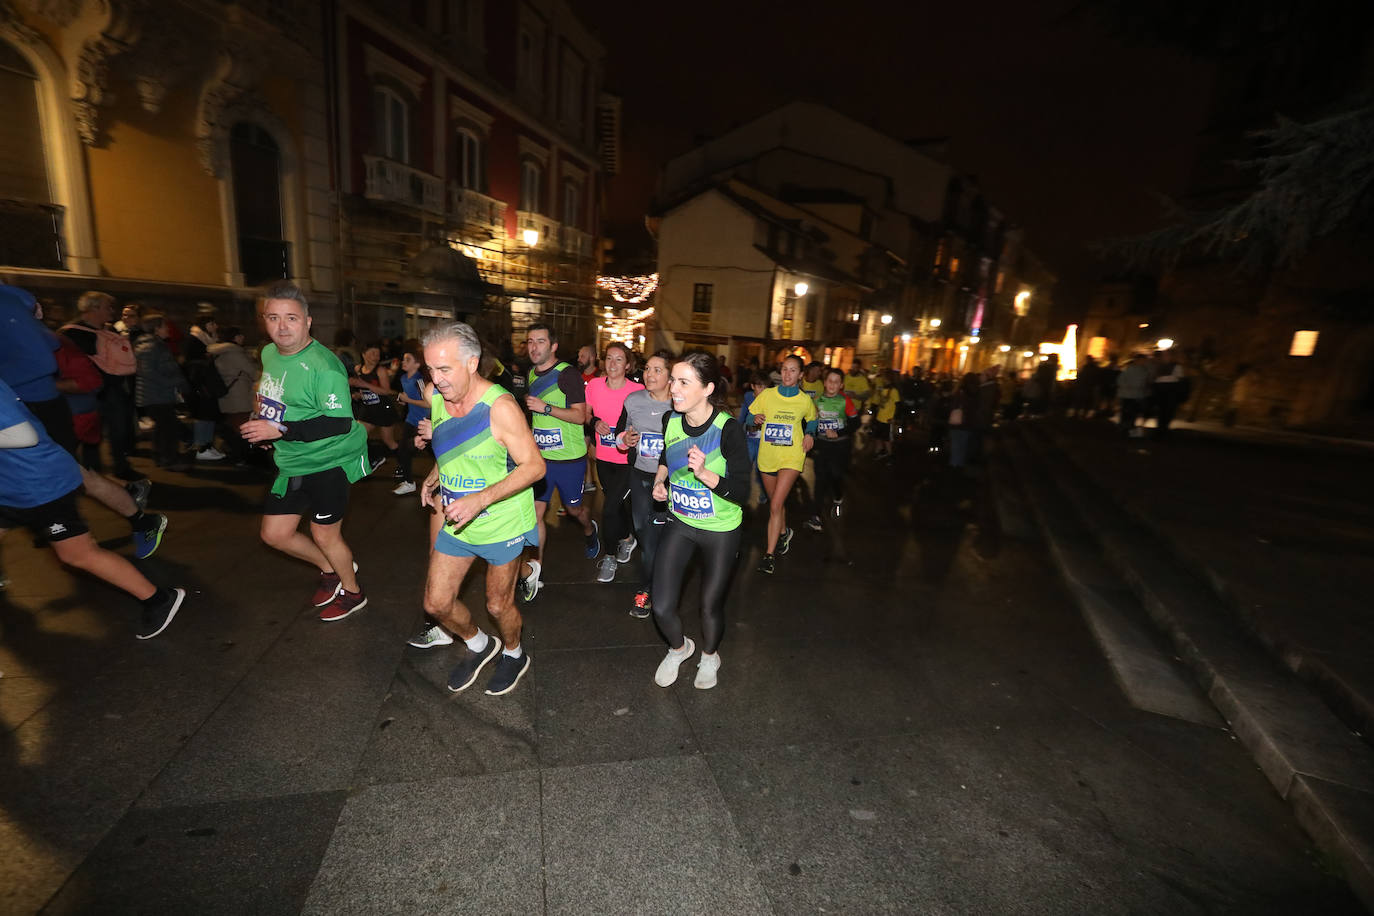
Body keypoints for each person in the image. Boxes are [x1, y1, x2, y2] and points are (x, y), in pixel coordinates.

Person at [410, 323, 544, 695]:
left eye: (445, 369)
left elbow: (535, 466)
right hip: (459, 520)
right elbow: (452, 447)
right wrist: (436, 474)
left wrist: (482, 498)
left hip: (502, 522)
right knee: (436, 603)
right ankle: (480, 644)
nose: (436, 380)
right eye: (431, 370)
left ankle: (515, 653)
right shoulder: (438, 397)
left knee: (499, 606)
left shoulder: (500, 407)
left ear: (472, 363)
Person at [0, 378, 186, 639]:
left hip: (40, 486)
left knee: (78, 555)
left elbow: (23, 435)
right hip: (11, 487)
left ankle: (159, 599)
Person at [1, 286, 166, 558]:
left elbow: (46, 356)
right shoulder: (14, 302)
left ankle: (138, 524)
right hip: (36, 407)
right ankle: (136, 521)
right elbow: (50, 344)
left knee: (73, 476)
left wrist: (7, 384)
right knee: (65, 476)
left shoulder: (6, 302)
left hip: (40, 408)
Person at [240, 282, 370, 622]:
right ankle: (330, 568)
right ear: (264, 321)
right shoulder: (268, 352)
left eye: (291, 319)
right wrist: (264, 423)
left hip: (332, 458)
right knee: (275, 534)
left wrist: (281, 430)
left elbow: (340, 422)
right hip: (293, 459)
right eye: (273, 318)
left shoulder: (324, 366)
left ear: (308, 322)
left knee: (324, 533)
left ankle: (353, 591)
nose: (282, 327)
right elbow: (272, 392)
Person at [649, 351, 751, 690]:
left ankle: (710, 656)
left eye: (682, 382)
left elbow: (741, 491)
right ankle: (679, 648)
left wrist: (707, 475)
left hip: (721, 529)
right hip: (680, 522)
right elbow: (666, 453)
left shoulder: (728, 430)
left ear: (707, 388)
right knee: (661, 606)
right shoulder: (671, 420)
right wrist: (660, 480)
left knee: (709, 606)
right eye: (673, 380)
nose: (672, 388)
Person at [518, 323, 600, 601]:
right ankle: (535, 569)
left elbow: (580, 417)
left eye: (540, 341)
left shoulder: (568, 375)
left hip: (569, 460)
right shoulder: (530, 373)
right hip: (541, 459)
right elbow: (535, 418)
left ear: (553, 346)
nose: (533, 347)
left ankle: (590, 530)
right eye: (530, 341)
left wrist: (546, 408)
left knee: (574, 510)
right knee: (536, 514)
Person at [616, 349, 674, 617]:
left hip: (671, 481)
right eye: (648, 369)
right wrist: (623, 441)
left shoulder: (680, 404)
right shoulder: (633, 400)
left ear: (671, 376)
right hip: (640, 477)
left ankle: (647, 590)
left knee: (655, 539)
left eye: (657, 370)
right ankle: (655, 581)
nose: (649, 374)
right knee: (643, 532)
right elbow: (620, 433)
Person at [750, 354, 816, 574]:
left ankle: (768, 555)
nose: (787, 374)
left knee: (776, 505)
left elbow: (813, 418)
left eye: (793, 370)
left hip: (792, 456)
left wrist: (810, 433)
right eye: (784, 369)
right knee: (775, 502)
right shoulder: (767, 395)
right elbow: (750, 418)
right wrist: (756, 419)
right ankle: (784, 531)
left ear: (800, 375)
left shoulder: (805, 400)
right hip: (768, 456)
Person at [61, 291, 139, 478]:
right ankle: (90, 471)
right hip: (85, 391)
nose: (112, 311)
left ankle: (120, 466)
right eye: (107, 307)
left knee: (118, 430)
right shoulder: (70, 333)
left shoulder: (110, 331)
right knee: (88, 434)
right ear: (93, 308)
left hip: (113, 389)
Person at [586, 342, 644, 583]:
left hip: (627, 461)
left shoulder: (637, 390)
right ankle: (628, 539)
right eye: (609, 358)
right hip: (604, 459)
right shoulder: (595, 385)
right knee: (617, 507)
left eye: (619, 359)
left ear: (628, 365)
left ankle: (608, 557)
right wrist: (594, 422)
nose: (612, 363)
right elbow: (586, 414)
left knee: (609, 508)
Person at [805, 368, 859, 532]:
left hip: (841, 445)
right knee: (820, 479)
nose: (832, 385)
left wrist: (838, 432)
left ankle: (837, 498)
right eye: (830, 381)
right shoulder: (817, 401)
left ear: (841, 385)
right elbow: (811, 421)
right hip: (822, 445)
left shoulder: (845, 401)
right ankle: (816, 517)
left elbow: (856, 423)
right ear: (825, 382)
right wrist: (809, 434)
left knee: (836, 475)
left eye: (836, 382)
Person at [135, 313, 189, 469]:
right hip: (156, 394)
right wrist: (175, 383)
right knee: (168, 428)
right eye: (165, 326)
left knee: (163, 427)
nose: (168, 329)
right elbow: (149, 372)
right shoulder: (152, 346)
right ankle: (168, 459)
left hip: (156, 394)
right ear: (156, 328)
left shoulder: (154, 344)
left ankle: (161, 457)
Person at [210, 326, 259, 464]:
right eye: (240, 335)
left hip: (227, 395)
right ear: (235, 338)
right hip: (239, 396)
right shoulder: (235, 353)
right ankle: (241, 457)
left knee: (233, 426)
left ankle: (235, 454)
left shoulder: (219, 352)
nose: (243, 338)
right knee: (242, 429)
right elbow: (253, 372)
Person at [350, 342, 400, 470]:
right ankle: (374, 458)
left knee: (389, 441)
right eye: (372, 353)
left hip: (383, 409)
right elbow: (365, 389)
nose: (376, 356)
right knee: (358, 435)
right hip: (368, 409)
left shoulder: (380, 370)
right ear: (364, 354)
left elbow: (386, 391)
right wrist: (358, 395)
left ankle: (404, 467)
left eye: (377, 353)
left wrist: (364, 385)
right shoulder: (358, 369)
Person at [392, 347, 429, 495]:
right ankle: (408, 482)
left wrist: (408, 399)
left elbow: (428, 403)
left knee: (433, 452)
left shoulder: (418, 380)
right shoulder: (403, 378)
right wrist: (403, 400)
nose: (403, 362)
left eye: (408, 360)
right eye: (404, 359)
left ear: (417, 364)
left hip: (424, 421)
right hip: (411, 419)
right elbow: (408, 397)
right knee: (403, 449)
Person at [737, 371, 768, 504]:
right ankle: (741, 492)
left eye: (766, 387)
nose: (763, 390)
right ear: (752, 386)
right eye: (760, 386)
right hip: (749, 438)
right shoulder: (748, 397)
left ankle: (763, 491)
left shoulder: (770, 399)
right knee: (745, 466)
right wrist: (737, 430)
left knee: (762, 469)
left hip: (764, 441)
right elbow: (742, 415)